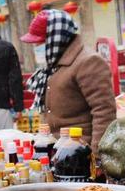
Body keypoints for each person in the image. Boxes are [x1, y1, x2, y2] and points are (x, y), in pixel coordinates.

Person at [20, 9, 116, 151]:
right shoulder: (54, 65)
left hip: (80, 151)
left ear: (56, 38)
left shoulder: (88, 62)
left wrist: (97, 156)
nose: (37, 47)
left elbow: (104, 112)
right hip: (58, 148)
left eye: (40, 42)